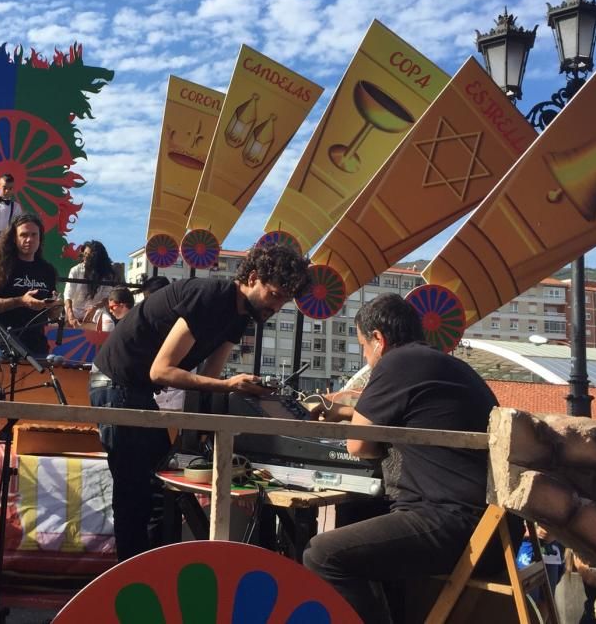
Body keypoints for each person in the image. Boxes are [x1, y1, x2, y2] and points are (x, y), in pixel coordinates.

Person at [89, 244, 310, 561]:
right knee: (138, 494)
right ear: (251, 277)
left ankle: (148, 577)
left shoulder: (238, 317)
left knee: (157, 495)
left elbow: (210, 381)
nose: (277, 306)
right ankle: (133, 581)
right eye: (275, 295)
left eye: (284, 300)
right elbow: (162, 370)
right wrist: (228, 385)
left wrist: (239, 393)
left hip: (134, 389)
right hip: (116, 385)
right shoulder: (211, 296)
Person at [302, 293, 502, 624]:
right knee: (356, 511)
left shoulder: (398, 362)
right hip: (490, 525)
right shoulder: (444, 363)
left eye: (364, 347)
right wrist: (350, 411)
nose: (366, 358)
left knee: (322, 555)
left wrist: (346, 417)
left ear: (379, 339)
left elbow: (358, 445)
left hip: (456, 523)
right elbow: (414, 417)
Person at [0, 213, 61, 357]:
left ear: (40, 238)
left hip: (37, 349)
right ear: (14, 238)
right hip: (4, 345)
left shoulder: (48, 271)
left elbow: (51, 314)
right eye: (23, 235)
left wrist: (54, 308)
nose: (29, 239)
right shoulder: (0, 267)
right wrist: (20, 301)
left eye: (34, 235)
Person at [64, 240, 115, 326]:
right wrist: (70, 315)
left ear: (98, 259)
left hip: (96, 310)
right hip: (74, 309)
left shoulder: (106, 274)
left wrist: (94, 308)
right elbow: (68, 295)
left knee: (109, 325)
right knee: (54, 321)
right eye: (85, 254)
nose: (85, 258)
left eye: (89, 256)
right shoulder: (75, 270)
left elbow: (107, 297)